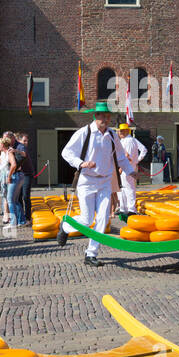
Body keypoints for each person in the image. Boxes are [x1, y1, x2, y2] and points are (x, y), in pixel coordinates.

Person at [60, 102, 134, 266]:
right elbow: (66, 152)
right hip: (87, 181)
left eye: (109, 117)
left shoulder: (112, 135)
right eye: (104, 117)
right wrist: (81, 163)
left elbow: (121, 157)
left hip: (105, 181)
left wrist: (130, 171)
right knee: (86, 220)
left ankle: (91, 254)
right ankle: (65, 227)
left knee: (103, 219)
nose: (107, 120)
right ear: (96, 116)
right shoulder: (84, 133)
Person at [118, 123, 147, 215]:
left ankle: (131, 209)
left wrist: (122, 168)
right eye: (120, 131)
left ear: (127, 131)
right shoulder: (125, 140)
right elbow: (143, 150)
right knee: (123, 188)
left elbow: (127, 157)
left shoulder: (129, 141)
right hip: (127, 167)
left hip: (127, 168)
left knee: (129, 187)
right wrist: (137, 160)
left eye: (122, 131)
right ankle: (123, 208)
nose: (120, 132)